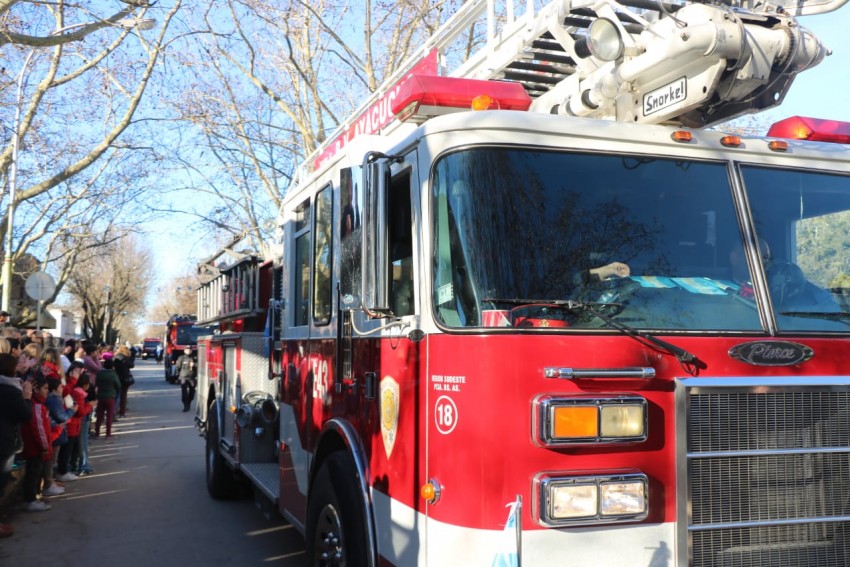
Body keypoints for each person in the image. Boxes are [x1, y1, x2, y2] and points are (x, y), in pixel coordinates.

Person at [0, 353, 33, 535]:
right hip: (4, 441)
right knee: (1, 480)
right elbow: (25, 415)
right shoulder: (11, 391)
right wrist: (26, 397)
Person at [19, 375, 53, 511]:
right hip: (35, 448)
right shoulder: (36, 406)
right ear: (36, 390)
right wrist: (44, 446)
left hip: (34, 447)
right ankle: (31, 500)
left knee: (36, 473)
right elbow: (38, 429)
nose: (47, 391)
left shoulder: (37, 404)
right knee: (33, 473)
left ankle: (35, 496)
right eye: (45, 388)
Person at [94, 358, 121, 439]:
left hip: (101, 396)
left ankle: (97, 433)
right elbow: (118, 385)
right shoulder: (113, 374)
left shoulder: (99, 373)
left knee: (99, 415)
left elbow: (97, 383)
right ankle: (108, 433)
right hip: (110, 396)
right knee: (109, 415)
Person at [113, 345, 134, 418]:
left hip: (116, 377)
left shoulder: (115, 357)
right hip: (125, 378)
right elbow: (131, 365)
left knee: (116, 395)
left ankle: (114, 411)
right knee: (123, 396)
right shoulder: (126, 358)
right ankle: (122, 412)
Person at [175, 348, 196, 412]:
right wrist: (178, 377)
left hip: (192, 377)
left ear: (191, 351)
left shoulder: (194, 357)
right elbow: (178, 367)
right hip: (183, 377)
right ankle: (186, 405)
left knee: (192, 392)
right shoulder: (181, 358)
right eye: (187, 350)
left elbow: (201, 365)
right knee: (184, 392)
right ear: (184, 351)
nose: (188, 351)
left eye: (190, 350)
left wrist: (194, 364)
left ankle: (189, 402)